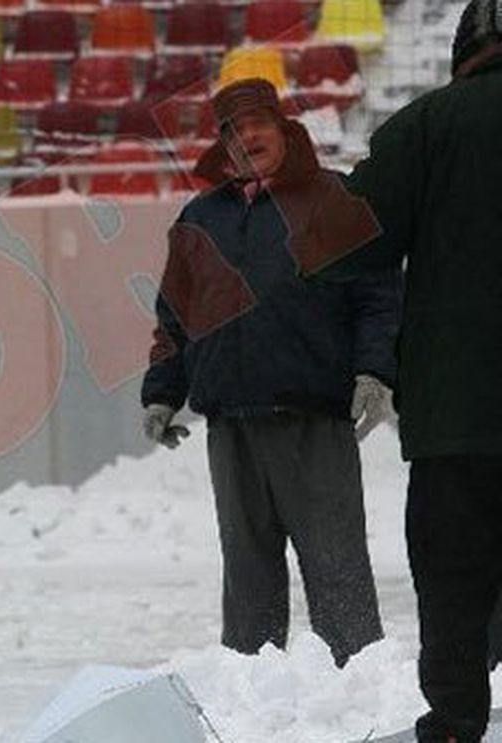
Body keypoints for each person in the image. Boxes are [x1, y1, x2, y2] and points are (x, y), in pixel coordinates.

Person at [140, 79, 402, 668]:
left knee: (336, 565)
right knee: (247, 575)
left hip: (313, 417)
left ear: (283, 129)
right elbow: (175, 316)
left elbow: (378, 297)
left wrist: (374, 372)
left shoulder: (333, 198)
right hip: (231, 423)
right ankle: (251, 688)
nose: (248, 137)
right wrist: (161, 393)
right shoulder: (199, 217)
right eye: (234, 130)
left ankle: (359, 684)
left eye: (259, 123)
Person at [297, 2, 502, 737]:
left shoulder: (426, 126)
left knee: (455, 585)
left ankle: (454, 723)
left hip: (457, 417)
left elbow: (335, 246)